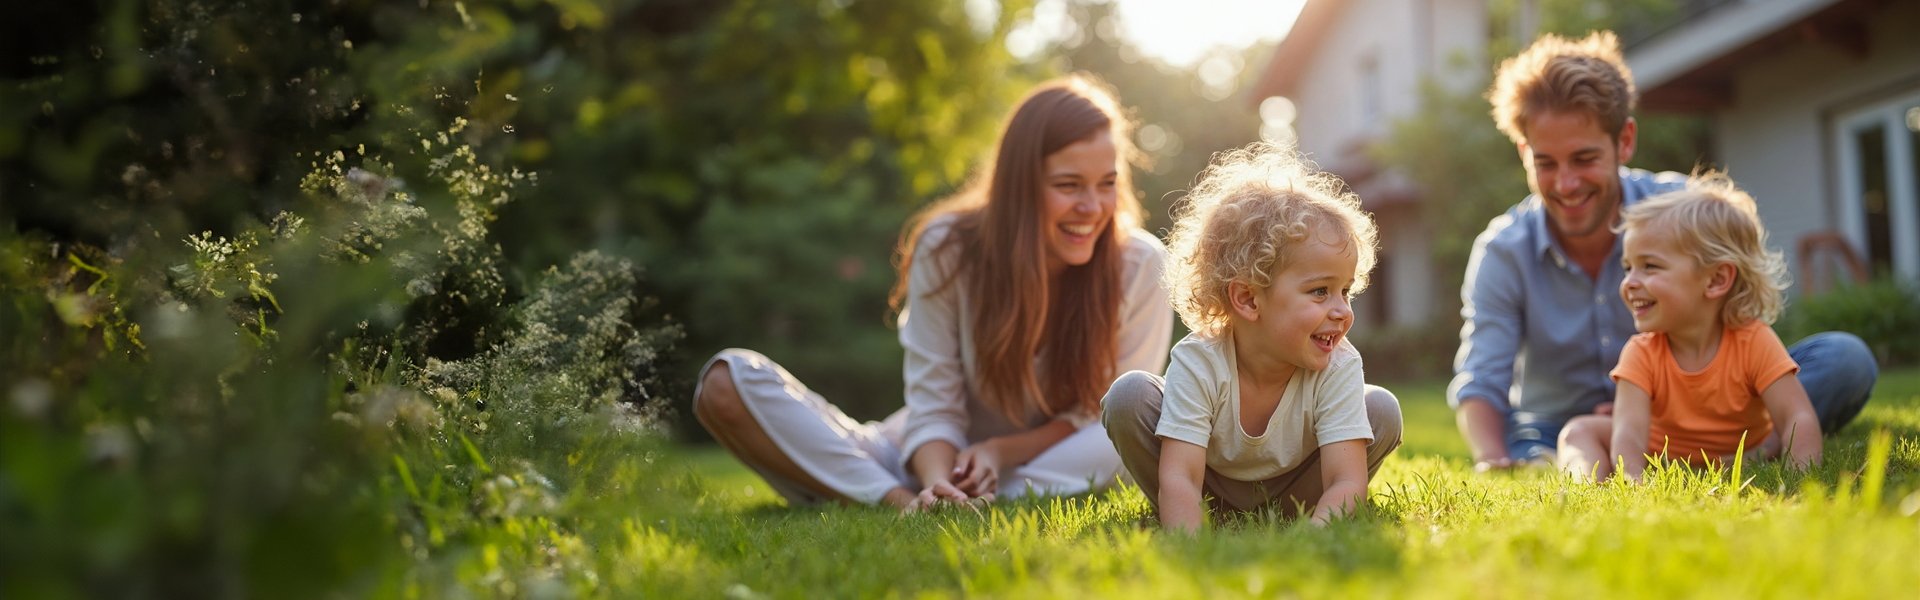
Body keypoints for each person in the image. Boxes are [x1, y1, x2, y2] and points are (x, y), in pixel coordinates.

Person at [692, 75, 1173, 511]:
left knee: (1126, 431)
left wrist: (997, 452)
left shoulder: (1140, 265)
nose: (1092, 207)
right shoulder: (948, 246)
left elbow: (1104, 416)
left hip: (1053, 462)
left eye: (1106, 184)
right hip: (923, 457)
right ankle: (908, 500)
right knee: (726, 381)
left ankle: (898, 494)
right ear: (1019, 185)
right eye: (1069, 185)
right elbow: (934, 404)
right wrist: (937, 482)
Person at [1451, 31, 1877, 471]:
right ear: (1524, 152)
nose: (1566, 184)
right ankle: (1604, 453)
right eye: (1545, 163)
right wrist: (1492, 457)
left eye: (1584, 159)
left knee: (1843, 360)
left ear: (1625, 140)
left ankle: (1734, 440)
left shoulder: (1685, 209)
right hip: (1559, 419)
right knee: (1540, 439)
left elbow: (1742, 331)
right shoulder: (1503, 249)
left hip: (1693, 405)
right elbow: (1482, 379)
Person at [1102, 143, 1402, 531]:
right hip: (1206, 488)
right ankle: (1187, 516)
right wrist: (1190, 548)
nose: (1342, 310)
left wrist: (1312, 541)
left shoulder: (1337, 365)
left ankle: (1304, 518)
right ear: (1247, 298)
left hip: (1299, 494)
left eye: (1345, 291)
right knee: (1130, 395)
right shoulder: (1201, 360)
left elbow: (1345, 481)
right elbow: (1182, 476)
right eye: (1319, 291)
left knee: (1380, 408)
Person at [1558, 174, 1821, 482]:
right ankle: (1588, 486)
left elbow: (1796, 416)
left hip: (1745, 452)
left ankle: (1745, 460)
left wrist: (1800, 478)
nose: (1629, 282)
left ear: (1716, 280)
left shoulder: (1754, 341)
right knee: (1577, 431)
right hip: (1662, 453)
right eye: (1628, 267)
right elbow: (1628, 435)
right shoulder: (1641, 352)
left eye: (1650, 266)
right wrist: (1633, 480)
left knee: (1781, 433)